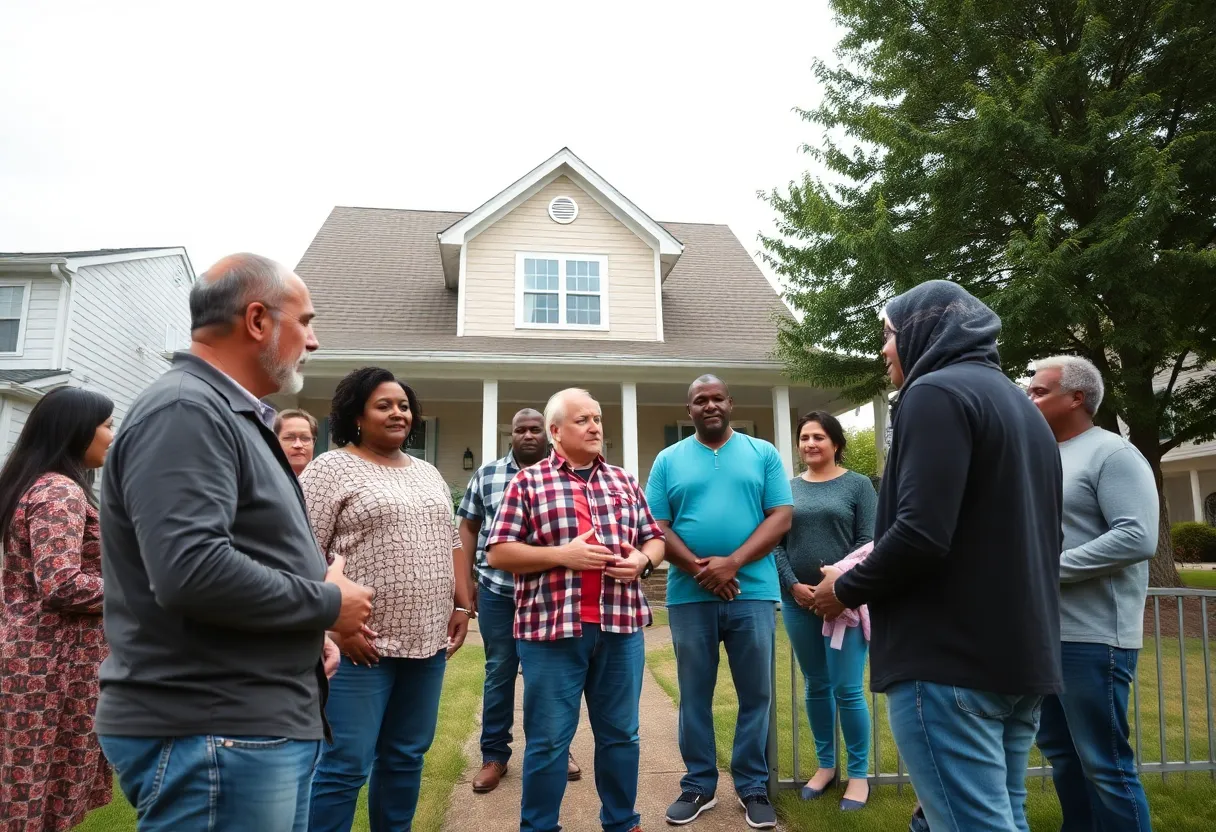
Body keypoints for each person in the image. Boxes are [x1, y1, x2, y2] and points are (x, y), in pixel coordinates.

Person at [96, 253, 373, 832]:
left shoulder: (227, 413)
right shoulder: (185, 411)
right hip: (215, 728)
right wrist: (326, 604)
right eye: (306, 321)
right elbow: (191, 570)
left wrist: (303, 635)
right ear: (256, 321)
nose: (314, 341)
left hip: (249, 722)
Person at [812, 280, 1064, 832]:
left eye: (888, 335)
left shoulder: (934, 394)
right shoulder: (1024, 412)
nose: (883, 351)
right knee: (1005, 818)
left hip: (951, 662)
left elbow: (922, 533)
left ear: (925, 331)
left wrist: (844, 589)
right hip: (1021, 658)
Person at [486, 388, 665, 832]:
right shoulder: (527, 483)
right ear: (555, 432)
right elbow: (500, 553)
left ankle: (622, 822)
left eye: (598, 418)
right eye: (583, 419)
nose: (595, 426)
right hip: (551, 632)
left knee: (621, 735)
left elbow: (654, 538)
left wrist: (642, 561)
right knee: (548, 742)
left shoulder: (623, 481)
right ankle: (540, 826)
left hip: (620, 628)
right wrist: (562, 555)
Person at [304, 366, 472, 832]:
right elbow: (301, 553)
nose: (399, 412)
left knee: (405, 757)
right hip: (361, 645)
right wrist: (336, 625)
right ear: (356, 415)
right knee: (344, 766)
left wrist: (460, 605)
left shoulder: (429, 472)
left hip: (427, 643)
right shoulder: (329, 468)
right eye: (384, 405)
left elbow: (451, 543)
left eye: (403, 405)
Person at [646, 375, 793, 830]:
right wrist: (700, 569)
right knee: (695, 694)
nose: (709, 405)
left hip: (753, 592)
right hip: (690, 597)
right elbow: (655, 525)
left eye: (716, 398)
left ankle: (751, 785)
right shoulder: (668, 460)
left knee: (756, 693)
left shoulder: (762, 453)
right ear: (688, 410)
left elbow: (782, 516)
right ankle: (699, 784)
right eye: (699, 401)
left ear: (731, 402)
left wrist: (733, 562)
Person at [1028, 355, 1157, 831]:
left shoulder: (1113, 453)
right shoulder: (1042, 454)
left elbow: (1138, 536)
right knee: (1062, 755)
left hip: (1096, 637)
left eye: (1039, 391)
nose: (1028, 397)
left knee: (1104, 764)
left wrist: (1044, 571)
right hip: (1046, 633)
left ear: (1077, 398)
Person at [0, 388, 115, 832]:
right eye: (106, 424)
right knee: (37, 791)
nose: (111, 434)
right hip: (52, 667)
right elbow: (61, 584)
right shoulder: (59, 491)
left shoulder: (46, 484)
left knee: (31, 788)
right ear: (75, 431)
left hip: (43, 659)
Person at [458, 407, 582, 793]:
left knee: (550, 677)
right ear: (510, 435)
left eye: (535, 429)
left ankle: (556, 750)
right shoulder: (488, 475)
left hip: (551, 594)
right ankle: (494, 756)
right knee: (499, 671)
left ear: (548, 433)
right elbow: (467, 526)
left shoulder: (568, 474)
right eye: (519, 429)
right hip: (499, 592)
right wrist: (466, 583)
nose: (528, 435)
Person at [773, 410, 877, 810]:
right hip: (798, 603)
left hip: (844, 604)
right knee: (816, 686)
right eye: (804, 438)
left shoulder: (858, 485)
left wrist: (836, 586)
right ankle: (825, 766)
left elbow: (869, 541)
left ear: (836, 443)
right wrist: (795, 586)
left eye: (818, 437)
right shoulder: (786, 489)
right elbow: (777, 544)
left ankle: (859, 774)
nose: (810, 444)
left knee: (848, 689)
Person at [277, 408, 319, 476]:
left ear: (313, 443)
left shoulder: (327, 480)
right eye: (289, 438)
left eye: (305, 438)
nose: (298, 445)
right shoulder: (261, 480)